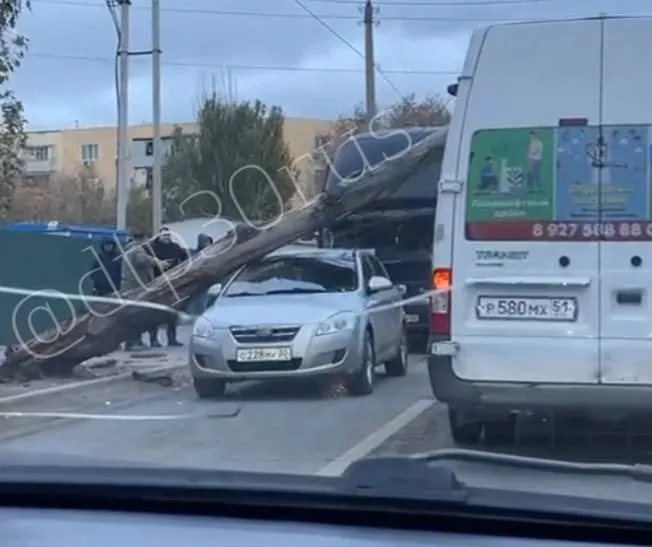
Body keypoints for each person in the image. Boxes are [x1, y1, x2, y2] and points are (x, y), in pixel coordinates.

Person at [121, 231, 169, 351]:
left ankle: (132, 341)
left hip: (130, 285)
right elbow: (142, 261)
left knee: (132, 315)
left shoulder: (128, 248)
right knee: (136, 315)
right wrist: (157, 262)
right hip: (136, 286)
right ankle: (134, 342)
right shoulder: (137, 249)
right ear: (144, 238)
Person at [146, 226, 189, 347]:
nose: (167, 238)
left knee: (172, 313)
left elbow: (186, 257)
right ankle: (153, 339)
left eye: (168, 235)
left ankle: (172, 339)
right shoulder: (152, 248)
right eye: (164, 235)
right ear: (159, 236)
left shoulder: (175, 247)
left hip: (173, 282)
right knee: (154, 313)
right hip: (156, 283)